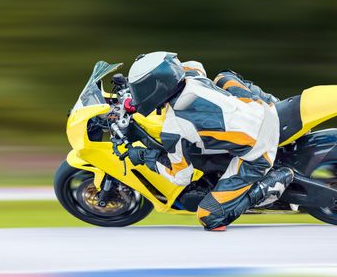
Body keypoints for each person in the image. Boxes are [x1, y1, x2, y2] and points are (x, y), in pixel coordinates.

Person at [126, 51, 294, 231]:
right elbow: (195, 64)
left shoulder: (174, 127)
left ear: (156, 87)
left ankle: (272, 184)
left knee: (209, 217)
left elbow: (182, 176)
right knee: (224, 77)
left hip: (259, 149)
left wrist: (146, 157)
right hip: (262, 107)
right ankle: (273, 100)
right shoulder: (192, 76)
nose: (138, 94)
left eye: (140, 89)